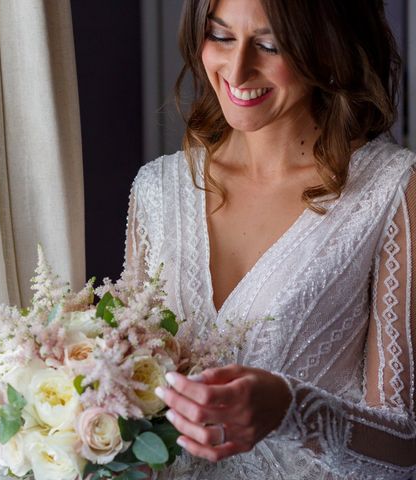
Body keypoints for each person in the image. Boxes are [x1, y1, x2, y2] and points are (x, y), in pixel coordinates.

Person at [124, 0, 416, 478]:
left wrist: (290, 408)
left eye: (269, 45)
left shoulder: (390, 189)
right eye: (220, 37)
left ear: (327, 48)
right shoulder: (156, 190)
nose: (237, 69)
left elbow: (403, 442)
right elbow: (129, 386)